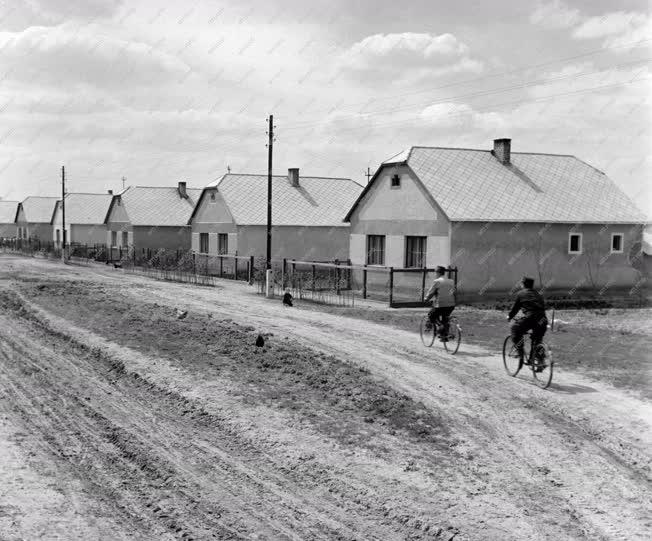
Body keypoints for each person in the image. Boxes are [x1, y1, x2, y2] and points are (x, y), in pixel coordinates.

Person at [508, 276, 548, 366]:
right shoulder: (538, 294)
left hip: (531, 318)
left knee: (515, 329)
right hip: (543, 319)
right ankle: (539, 360)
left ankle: (521, 353)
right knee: (537, 339)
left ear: (523, 284)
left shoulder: (521, 294)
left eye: (521, 283)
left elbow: (515, 309)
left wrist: (509, 317)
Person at [425, 266, 456, 341]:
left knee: (431, 315)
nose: (435, 274)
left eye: (435, 272)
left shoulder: (437, 281)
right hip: (451, 305)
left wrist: (426, 298)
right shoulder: (451, 281)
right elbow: (454, 292)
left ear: (438, 273)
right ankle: (444, 337)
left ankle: (441, 327)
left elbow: (431, 292)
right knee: (445, 318)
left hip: (440, 304)